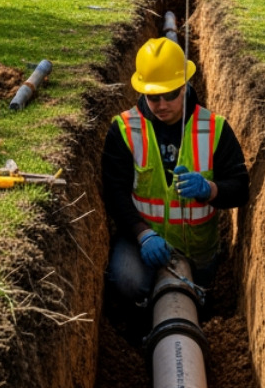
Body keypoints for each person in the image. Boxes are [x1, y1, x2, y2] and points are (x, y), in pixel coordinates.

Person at [101, 37, 248, 339]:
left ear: (185, 86)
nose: (162, 105)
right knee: (126, 281)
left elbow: (241, 188)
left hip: (197, 250)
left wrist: (210, 189)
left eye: (170, 95)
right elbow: (114, 192)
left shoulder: (214, 128)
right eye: (153, 98)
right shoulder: (125, 129)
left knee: (202, 296)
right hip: (143, 243)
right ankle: (138, 326)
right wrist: (143, 234)